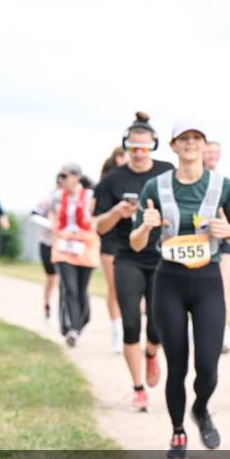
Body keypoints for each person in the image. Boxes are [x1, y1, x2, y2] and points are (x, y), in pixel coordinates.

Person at [132, 121, 230, 459]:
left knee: (207, 366)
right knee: (176, 364)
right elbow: (135, 244)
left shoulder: (222, 186)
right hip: (169, 281)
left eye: (197, 138)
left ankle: (201, 408)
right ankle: (178, 431)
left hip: (207, 279)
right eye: (184, 139)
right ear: (173, 146)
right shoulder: (155, 186)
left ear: (204, 145)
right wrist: (146, 228)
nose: (191, 144)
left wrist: (228, 231)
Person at [94, 112, 172, 411]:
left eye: (145, 148)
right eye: (133, 148)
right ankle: (138, 387)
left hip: (162, 257)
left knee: (157, 326)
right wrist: (116, 212)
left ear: (153, 146)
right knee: (130, 323)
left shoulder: (167, 173)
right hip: (127, 257)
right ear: (126, 146)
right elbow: (99, 226)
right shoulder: (113, 179)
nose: (139, 154)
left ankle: (152, 354)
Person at [49, 164, 98, 347]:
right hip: (64, 246)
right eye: (60, 176)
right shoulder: (56, 197)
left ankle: (80, 322)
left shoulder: (90, 197)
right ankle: (72, 329)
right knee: (69, 288)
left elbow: (96, 220)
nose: (61, 180)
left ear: (76, 177)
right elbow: (52, 217)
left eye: (65, 176)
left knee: (81, 289)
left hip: (85, 246)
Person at [204, 140, 230, 354]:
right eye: (210, 151)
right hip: (199, 242)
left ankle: (222, 335)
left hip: (223, 242)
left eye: (217, 152)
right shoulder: (194, 181)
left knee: (222, 286)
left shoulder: (224, 184)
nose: (213, 155)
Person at [98, 146, 128, 354]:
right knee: (113, 288)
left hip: (132, 241)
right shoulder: (107, 182)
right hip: (110, 240)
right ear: (119, 157)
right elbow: (96, 216)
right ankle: (117, 330)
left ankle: (131, 326)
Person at [31, 172, 64, 323]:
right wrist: (50, 225)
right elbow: (34, 215)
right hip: (47, 243)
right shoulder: (48, 198)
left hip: (64, 246)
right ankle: (47, 306)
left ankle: (65, 313)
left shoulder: (74, 199)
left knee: (65, 280)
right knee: (51, 278)